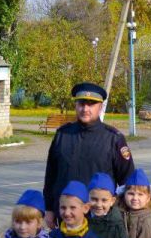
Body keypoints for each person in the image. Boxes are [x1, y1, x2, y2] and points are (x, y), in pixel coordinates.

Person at [42, 82, 135, 228]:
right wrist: (48, 208)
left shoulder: (113, 138)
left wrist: (122, 213)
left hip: (99, 217)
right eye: (81, 103)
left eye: (91, 104)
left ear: (100, 107)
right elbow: (51, 176)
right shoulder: (63, 134)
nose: (85, 109)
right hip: (67, 215)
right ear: (76, 105)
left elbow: (127, 180)